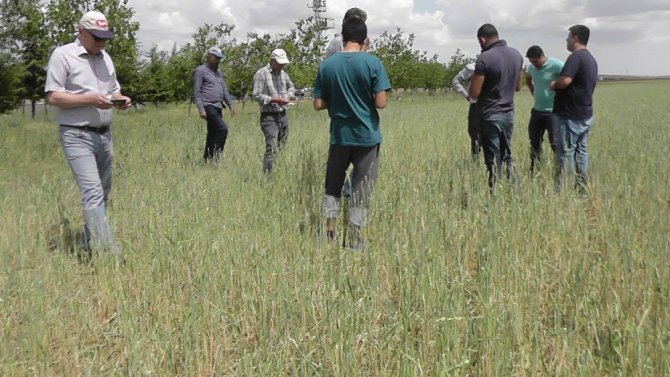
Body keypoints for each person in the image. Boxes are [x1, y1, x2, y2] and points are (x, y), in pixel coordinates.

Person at [44, 10, 131, 257]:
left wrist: (120, 100)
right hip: (76, 134)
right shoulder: (63, 56)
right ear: (81, 32)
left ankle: (87, 243)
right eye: (96, 37)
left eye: (105, 38)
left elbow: (113, 90)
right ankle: (110, 255)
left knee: (102, 194)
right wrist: (89, 99)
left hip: (104, 134)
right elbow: (53, 96)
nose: (101, 42)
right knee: (92, 193)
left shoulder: (106, 59)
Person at [313, 17, 391, 250]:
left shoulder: (327, 65)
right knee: (361, 188)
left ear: (343, 38)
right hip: (367, 137)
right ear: (365, 39)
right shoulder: (373, 63)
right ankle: (354, 237)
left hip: (339, 136)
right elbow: (381, 103)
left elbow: (318, 104)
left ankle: (328, 232)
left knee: (332, 186)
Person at [469, 23, 524, 190]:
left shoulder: (484, 58)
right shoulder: (516, 55)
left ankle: (496, 195)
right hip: (509, 113)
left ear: (482, 39)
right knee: (507, 155)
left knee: (493, 159)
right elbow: (517, 87)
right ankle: (514, 191)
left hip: (490, 114)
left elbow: (474, 93)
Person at [252, 48, 296, 174]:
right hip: (269, 116)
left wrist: (287, 96)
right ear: (272, 60)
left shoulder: (283, 74)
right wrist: (273, 99)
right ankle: (268, 176)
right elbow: (256, 95)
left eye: (283, 63)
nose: (282, 65)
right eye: (280, 62)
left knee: (282, 144)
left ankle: (278, 170)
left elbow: (291, 86)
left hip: (283, 114)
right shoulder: (261, 74)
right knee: (271, 147)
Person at [525, 45, 564, 174]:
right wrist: (534, 94)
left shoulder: (557, 65)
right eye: (531, 61)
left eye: (535, 61)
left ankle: (560, 171)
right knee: (534, 144)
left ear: (542, 56)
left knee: (556, 144)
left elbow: (569, 79)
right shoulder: (532, 68)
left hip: (553, 112)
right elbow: (528, 79)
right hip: (537, 111)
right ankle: (534, 171)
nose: (533, 64)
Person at [193, 46, 236, 162]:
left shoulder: (218, 73)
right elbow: (196, 92)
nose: (218, 60)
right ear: (209, 57)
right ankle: (216, 158)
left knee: (212, 133)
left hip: (218, 106)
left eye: (219, 58)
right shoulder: (200, 71)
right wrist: (201, 109)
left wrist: (230, 105)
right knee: (222, 129)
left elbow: (224, 89)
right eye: (216, 58)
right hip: (208, 106)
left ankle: (207, 159)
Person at [452, 62, 481, 159]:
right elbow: (455, 81)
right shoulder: (471, 68)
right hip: (476, 104)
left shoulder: (496, 65)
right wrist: (466, 95)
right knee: (474, 134)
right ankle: (476, 159)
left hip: (492, 105)